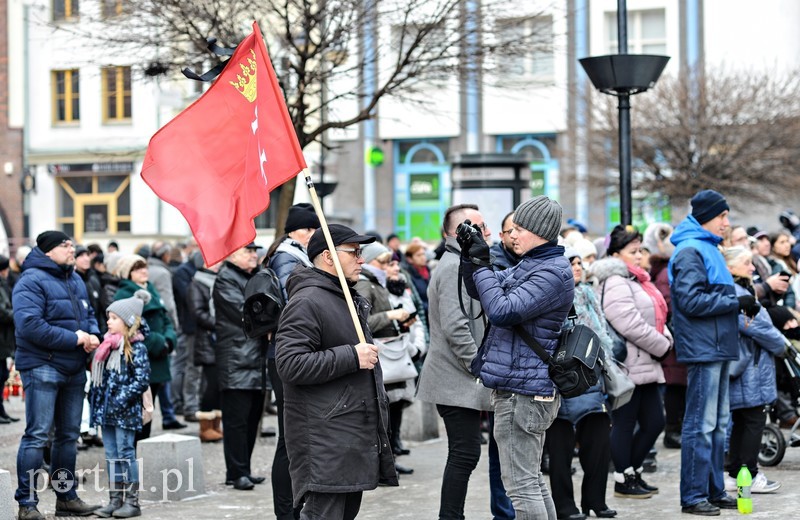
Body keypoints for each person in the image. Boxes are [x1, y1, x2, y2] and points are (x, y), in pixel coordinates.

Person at [461, 195, 574, 519]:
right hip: (524, 385)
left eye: (519, 229)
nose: (511, 235)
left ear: (538, 231)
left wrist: (483, 265)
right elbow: (484, 290)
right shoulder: (536, 264)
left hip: (522, 390)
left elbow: (501, 310)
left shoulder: (549, 271)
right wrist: (471, 260)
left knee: (521, 487)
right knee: (532, 481)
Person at [275, 224, 398, 519]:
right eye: (354, 252)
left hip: (347, 434)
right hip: (324, 438)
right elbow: (290, 364)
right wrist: (351, 356)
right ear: (329, 257)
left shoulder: (343, 297)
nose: (362, 259)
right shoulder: (307, 301)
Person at [417, 203, 512, 520]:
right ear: (458, 233)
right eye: (480, 227)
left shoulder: (464, 261)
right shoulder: (452, 266)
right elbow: (456, 327)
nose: (486, 233)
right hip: (455, 377)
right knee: (465, 453)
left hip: (464, 377)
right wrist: (481, 366)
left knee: (465, 452)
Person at [12, 231, 101, 519]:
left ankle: (66, 498)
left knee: (68, 436)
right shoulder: (31, 280)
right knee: (37, 436)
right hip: (42, 365)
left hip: (74, 367)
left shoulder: (74, 278)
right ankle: (27, 504)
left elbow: (88, 316)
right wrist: (75, 338)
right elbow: (30, 326)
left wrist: (94, 335)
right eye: (65, 245)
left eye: (72, 244)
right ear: (48, 251)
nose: (72, 248)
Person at [669, 190, 746, 515]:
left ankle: (713, 490)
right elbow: (691, 301)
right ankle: (694, 495)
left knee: (717, 424)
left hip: (717, 347)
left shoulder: (707, 248)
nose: (726, 223)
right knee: (701, 424)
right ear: (705, 217)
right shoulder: (690, 250)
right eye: (722, 217)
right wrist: (736, 301)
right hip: (704, 349)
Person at [593, 225, 672, 499]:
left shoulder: (637, 280)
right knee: (626, 423)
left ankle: (633, 471)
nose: (639, 256)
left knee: (654, 422)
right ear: (616, 255)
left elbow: (656, 317)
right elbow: (629, 324)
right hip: (629, 365)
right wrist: (663, 346)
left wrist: (665, 338)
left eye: (641, 251)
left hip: (646, 362)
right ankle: (622, 477)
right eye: (633, 251)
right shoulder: (616, 281)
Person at [546, 249, 616, 519]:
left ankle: (595, 501)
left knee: (599, 443)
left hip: (592, 376)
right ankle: (565, 506)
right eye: (571, 262)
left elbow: (604, 334)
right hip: (562, 378)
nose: (576, 267)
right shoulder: (551, 294)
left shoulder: (588, 294)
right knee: (560, 450)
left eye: (579, 262)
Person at [267, 202, 320, 519]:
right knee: (289, 439)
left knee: (292, 437)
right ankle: (285, 511)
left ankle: (292, 506)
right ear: (299, 231)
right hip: (287, 355)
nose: (315, 234)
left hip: (286, 353)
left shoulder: (292, 256)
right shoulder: (288, 259)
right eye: (311, 229)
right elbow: (295, 304)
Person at [722, 246, 784, 495]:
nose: (752, 267)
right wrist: (781, 344)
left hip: (750, 365)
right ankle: (749, 473)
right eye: (746, 262)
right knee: (753, 420)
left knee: (743, 419)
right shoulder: (735, 292)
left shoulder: (742, 290)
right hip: (749, 367)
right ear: (730, 267)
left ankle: (736, 472)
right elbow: (756, 327)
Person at [355, 242, 417, 475]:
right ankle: (382, 464)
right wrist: (390, 315)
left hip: (388, 348)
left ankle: (388, 460)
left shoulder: (375, 281)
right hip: (379, 351)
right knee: (383, 412)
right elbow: (364, 321)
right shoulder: (365, 282)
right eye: (382, 262)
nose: (386, 266)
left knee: (392, 408)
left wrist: (400, 321)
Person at [90, 290, 152, 518]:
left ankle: (132, 502)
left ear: (128, 322)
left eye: (114, 318)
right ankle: (115, 500)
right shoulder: (107, 347)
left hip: (124, 412)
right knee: (111, 455)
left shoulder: (137, 348)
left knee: (126, 453)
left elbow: (142, 379)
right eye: (108, 317)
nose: (108, 321)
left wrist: (120, 399)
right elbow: (101, 381)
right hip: (106, 412)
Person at [213, 243, 267, 491]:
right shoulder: (225, 279)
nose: (253, 254)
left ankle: (242, 469)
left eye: (255, 251)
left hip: (255, 360)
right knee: (236, 421)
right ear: (232, 254)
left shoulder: (253, 276)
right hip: (236, 360)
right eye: (248, 251)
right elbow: (245, 313)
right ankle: (236, 472)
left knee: (253, 418)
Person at [113, 254, 179, 440]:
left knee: (149, 410)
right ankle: (133, 456)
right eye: (137, 268)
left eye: (144, 267)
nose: (144, 271)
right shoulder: (124, 294)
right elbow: (129, 330)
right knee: (138, 413)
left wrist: (169, 339)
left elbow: (166, 320)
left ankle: (141, 454)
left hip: (158, 359)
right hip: (140, 360)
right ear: (128, 273)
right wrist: (158, 342)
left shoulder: (151, 290)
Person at [188, 260, 223, 443]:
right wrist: (219, 324)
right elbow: (198, 312)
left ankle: (216, 424)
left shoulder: (219, 279)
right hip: (207, 341)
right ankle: (205, 426)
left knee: (218, 385)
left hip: (220, 339)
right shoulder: (197, 283)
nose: (217, 265)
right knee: (211, 384)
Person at [0, 254, 18, 424]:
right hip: (2, 336)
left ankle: (2, 411)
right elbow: (3, 312)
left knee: (3, 375)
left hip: (4, 338)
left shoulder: (4, 284)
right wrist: (17, 314)